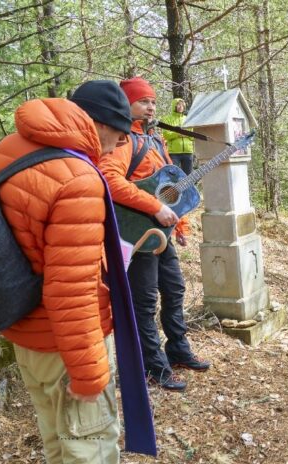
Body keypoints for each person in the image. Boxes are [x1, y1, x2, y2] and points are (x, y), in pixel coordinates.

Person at [0, 80, 133, 462]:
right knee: (90, 448)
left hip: (22, 330)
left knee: (56, 442)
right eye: (120, 133)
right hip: (65, 345)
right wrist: (88, 374)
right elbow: (72, 290)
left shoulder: (7, 149)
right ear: (100, 124)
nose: (120, 145)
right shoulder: (78, 178)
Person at [98, 77, 210, 392]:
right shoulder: (123, 141)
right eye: (143, 101)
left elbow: (173, 187)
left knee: (174, 290)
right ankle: (154, 367)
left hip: (161, 233)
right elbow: (109, 179)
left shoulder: (155, 140)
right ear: (127, 104)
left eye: (153, 102)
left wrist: (180, 225)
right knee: (145, 302)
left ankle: (178, 350)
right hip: (138, 237)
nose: (150, 107)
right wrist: (154, 206)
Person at [161, 97, 194, 174]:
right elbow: (166, 135)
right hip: (174, 153)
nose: (180, 107)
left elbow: (193, 135)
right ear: (174, 106)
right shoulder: (167, 119)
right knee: (174, 175)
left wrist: (186, 134)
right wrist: (178, 134)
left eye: (182, 105)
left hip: (188, 151)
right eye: (178, 105)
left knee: (188, 176)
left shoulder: (187, 119)